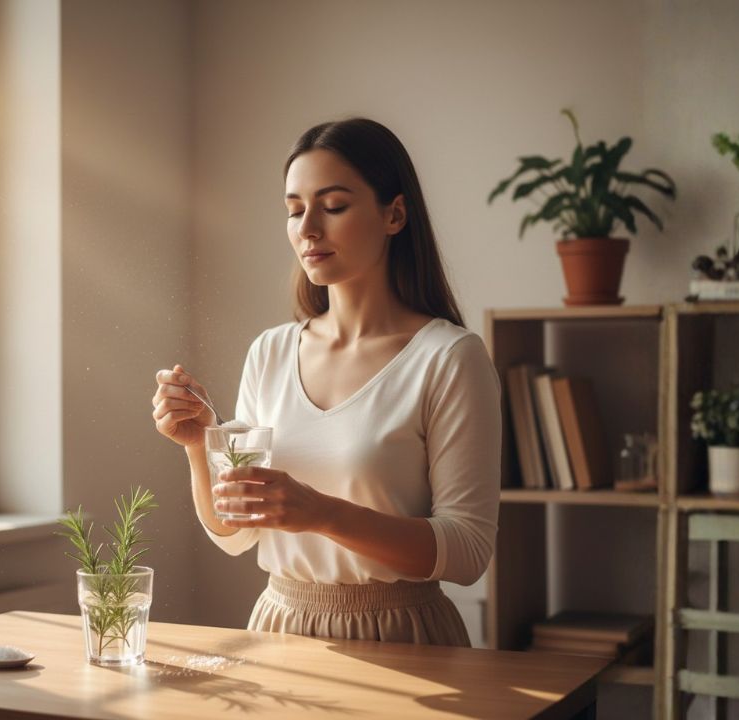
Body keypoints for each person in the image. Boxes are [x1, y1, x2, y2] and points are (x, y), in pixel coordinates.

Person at [151, 118, 501, 647]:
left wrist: (322, 513)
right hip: (279, 630)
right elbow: (236, 534)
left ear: (395, 214)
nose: (308, 228)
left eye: (333, 206)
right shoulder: (270, 351)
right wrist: (200, 444)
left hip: (402, 637)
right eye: (294, 211)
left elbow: (468, 551)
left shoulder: (449, 357)